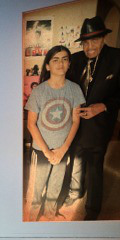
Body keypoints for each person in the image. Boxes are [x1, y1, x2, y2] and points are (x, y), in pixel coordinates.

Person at [64, 16, 120, 220]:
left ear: (103, 39)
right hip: (75, 124)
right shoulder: (75, 59)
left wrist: (103, 106)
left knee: (95, 166)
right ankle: (75, 192)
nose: (89, 47)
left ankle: (92, 209)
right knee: (76, 160)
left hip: (100, 126)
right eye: (85, 42)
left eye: (94, 40)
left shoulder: (119, 58)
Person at [25, 45, 85, 221]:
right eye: (55, 60)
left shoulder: (75, 89)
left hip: (62, 148)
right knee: (36, 189)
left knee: (56, 185)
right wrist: (47, 152)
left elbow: (75, 121)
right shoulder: (39, 91)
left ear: (69, 64)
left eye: (65, 59)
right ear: (48, 66)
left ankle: (50, 214)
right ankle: (31, 219)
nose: (60, 63)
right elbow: (31, 124)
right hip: (41, 150)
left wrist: (62, 149)